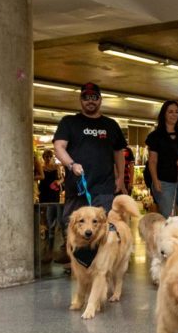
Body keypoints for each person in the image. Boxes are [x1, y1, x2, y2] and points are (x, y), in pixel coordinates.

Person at [53, 82, 127, 264]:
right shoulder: (69, 122)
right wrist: (71, 165)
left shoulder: (111, 125)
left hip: (104, 187)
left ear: (100, 99)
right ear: (81, 100)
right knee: (72, 225)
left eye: (94, 97)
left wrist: (121, 178)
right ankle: (77, 262)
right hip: (77, 186)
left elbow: (119, 153)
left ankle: (100, 264)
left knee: (103, 227)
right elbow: (59, 147)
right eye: (86, 97)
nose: (90, 101)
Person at [145, 101, 178, 220]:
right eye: (170, 112)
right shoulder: (155, 136)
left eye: (176, 112)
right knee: (168, 217)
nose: (174, 114)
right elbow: (152, 161)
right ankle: (169, 239)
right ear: (164, 114)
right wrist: (155, 180)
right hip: (164, 183)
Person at [38, 149, 64, 250]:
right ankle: (46, 231)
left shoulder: (56, 167)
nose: (48, 158)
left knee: (55, 210)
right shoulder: (41, 167)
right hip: (44, 191)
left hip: (53, 191)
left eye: (49, 156)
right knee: (44, 211)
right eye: (46, 157)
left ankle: (54, 232)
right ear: (43, 157)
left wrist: (58, 182)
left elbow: (62, 178)